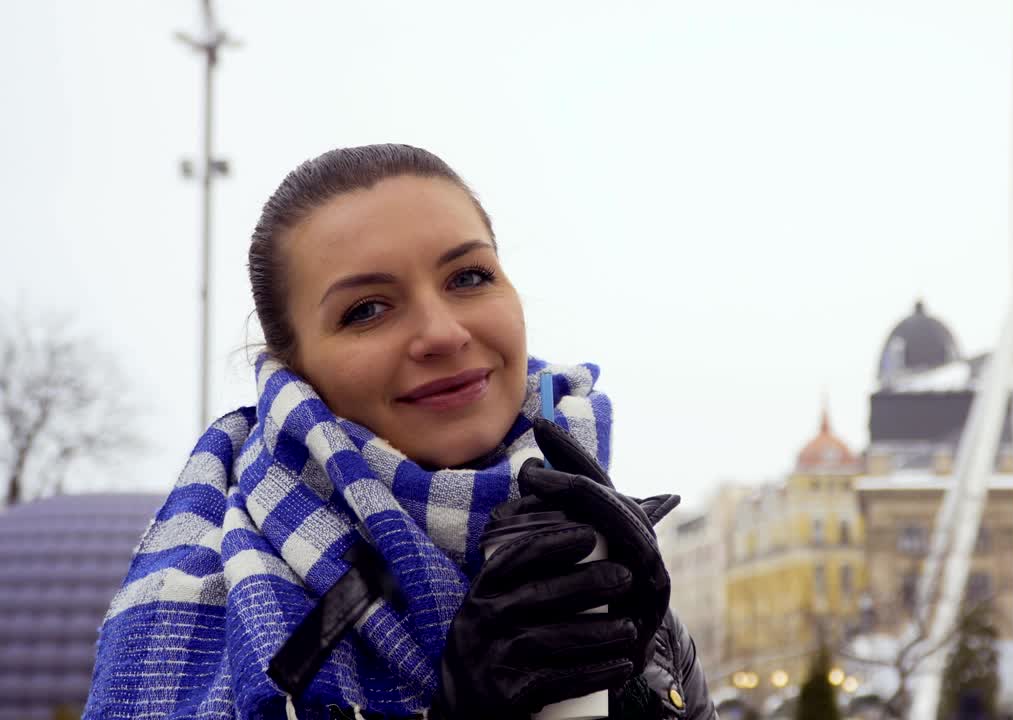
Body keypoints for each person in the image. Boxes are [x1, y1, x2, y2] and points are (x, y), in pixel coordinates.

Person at [85, 144, 714, 720]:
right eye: (367, 310)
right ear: (295, 371)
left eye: (468, 276)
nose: (442, 332)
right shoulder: (232, 609)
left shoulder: (621, 588)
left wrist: (638, 686)